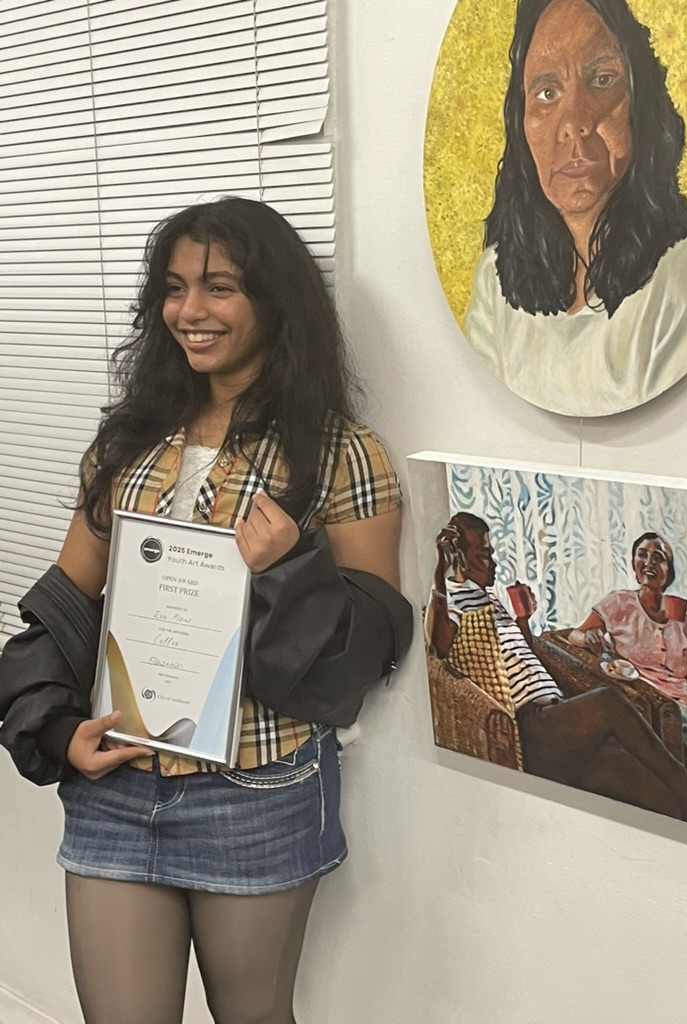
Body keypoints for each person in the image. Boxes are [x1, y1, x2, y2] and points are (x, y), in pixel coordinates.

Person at [0, 197, 412, 1024]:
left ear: (273, 301)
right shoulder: (129, 441)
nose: (191, 311)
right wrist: (52, 725)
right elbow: (63, 605)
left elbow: (376, 646)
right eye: (176, 287)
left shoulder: (339, 450)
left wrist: (291, 565)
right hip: (117, 779)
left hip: (255, 788)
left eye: (220, 288)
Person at [463, 0, 687, 417]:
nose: (574, 122)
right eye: (547, 93)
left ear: (640, 100)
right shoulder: (496, 281)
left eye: (601, 80)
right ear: (521, 122)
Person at [425, 513, 687, 832]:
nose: (492, 561)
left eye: (491, 553)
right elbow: (437, 646)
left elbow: (519, 654)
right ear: (459, 557)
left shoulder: (489, 597)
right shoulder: (452, 597)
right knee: (607, 701)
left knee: (656, 793)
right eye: (483, 555)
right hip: (531, 727)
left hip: (559, 724)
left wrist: (523, 622)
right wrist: (439, 571)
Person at [573, 531, 687, 805]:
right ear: (633, 564)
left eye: (659, 557)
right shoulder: (619, 603)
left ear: (668, 573)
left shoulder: (682, 616)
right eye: (643, 554)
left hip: (685, 698)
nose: (649, 561)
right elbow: (575, 635)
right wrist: (587, 636)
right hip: (645, 696)